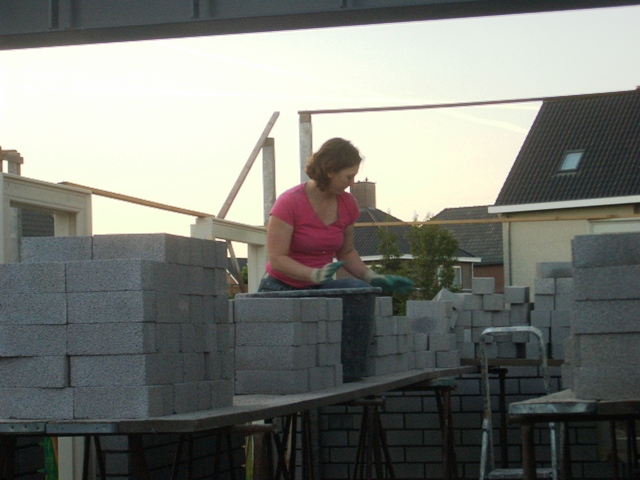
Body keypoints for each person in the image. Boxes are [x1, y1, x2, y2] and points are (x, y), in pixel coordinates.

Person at [258, 137, 414, 294]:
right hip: (279, 289)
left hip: (318, 288)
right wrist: (313, 274)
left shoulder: (348, 204)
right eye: (348, 177)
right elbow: (277, 259)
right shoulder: (288, 203)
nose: (352, 183)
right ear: (330, 171)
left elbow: (346, 252)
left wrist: (372, 277)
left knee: (360, 291)